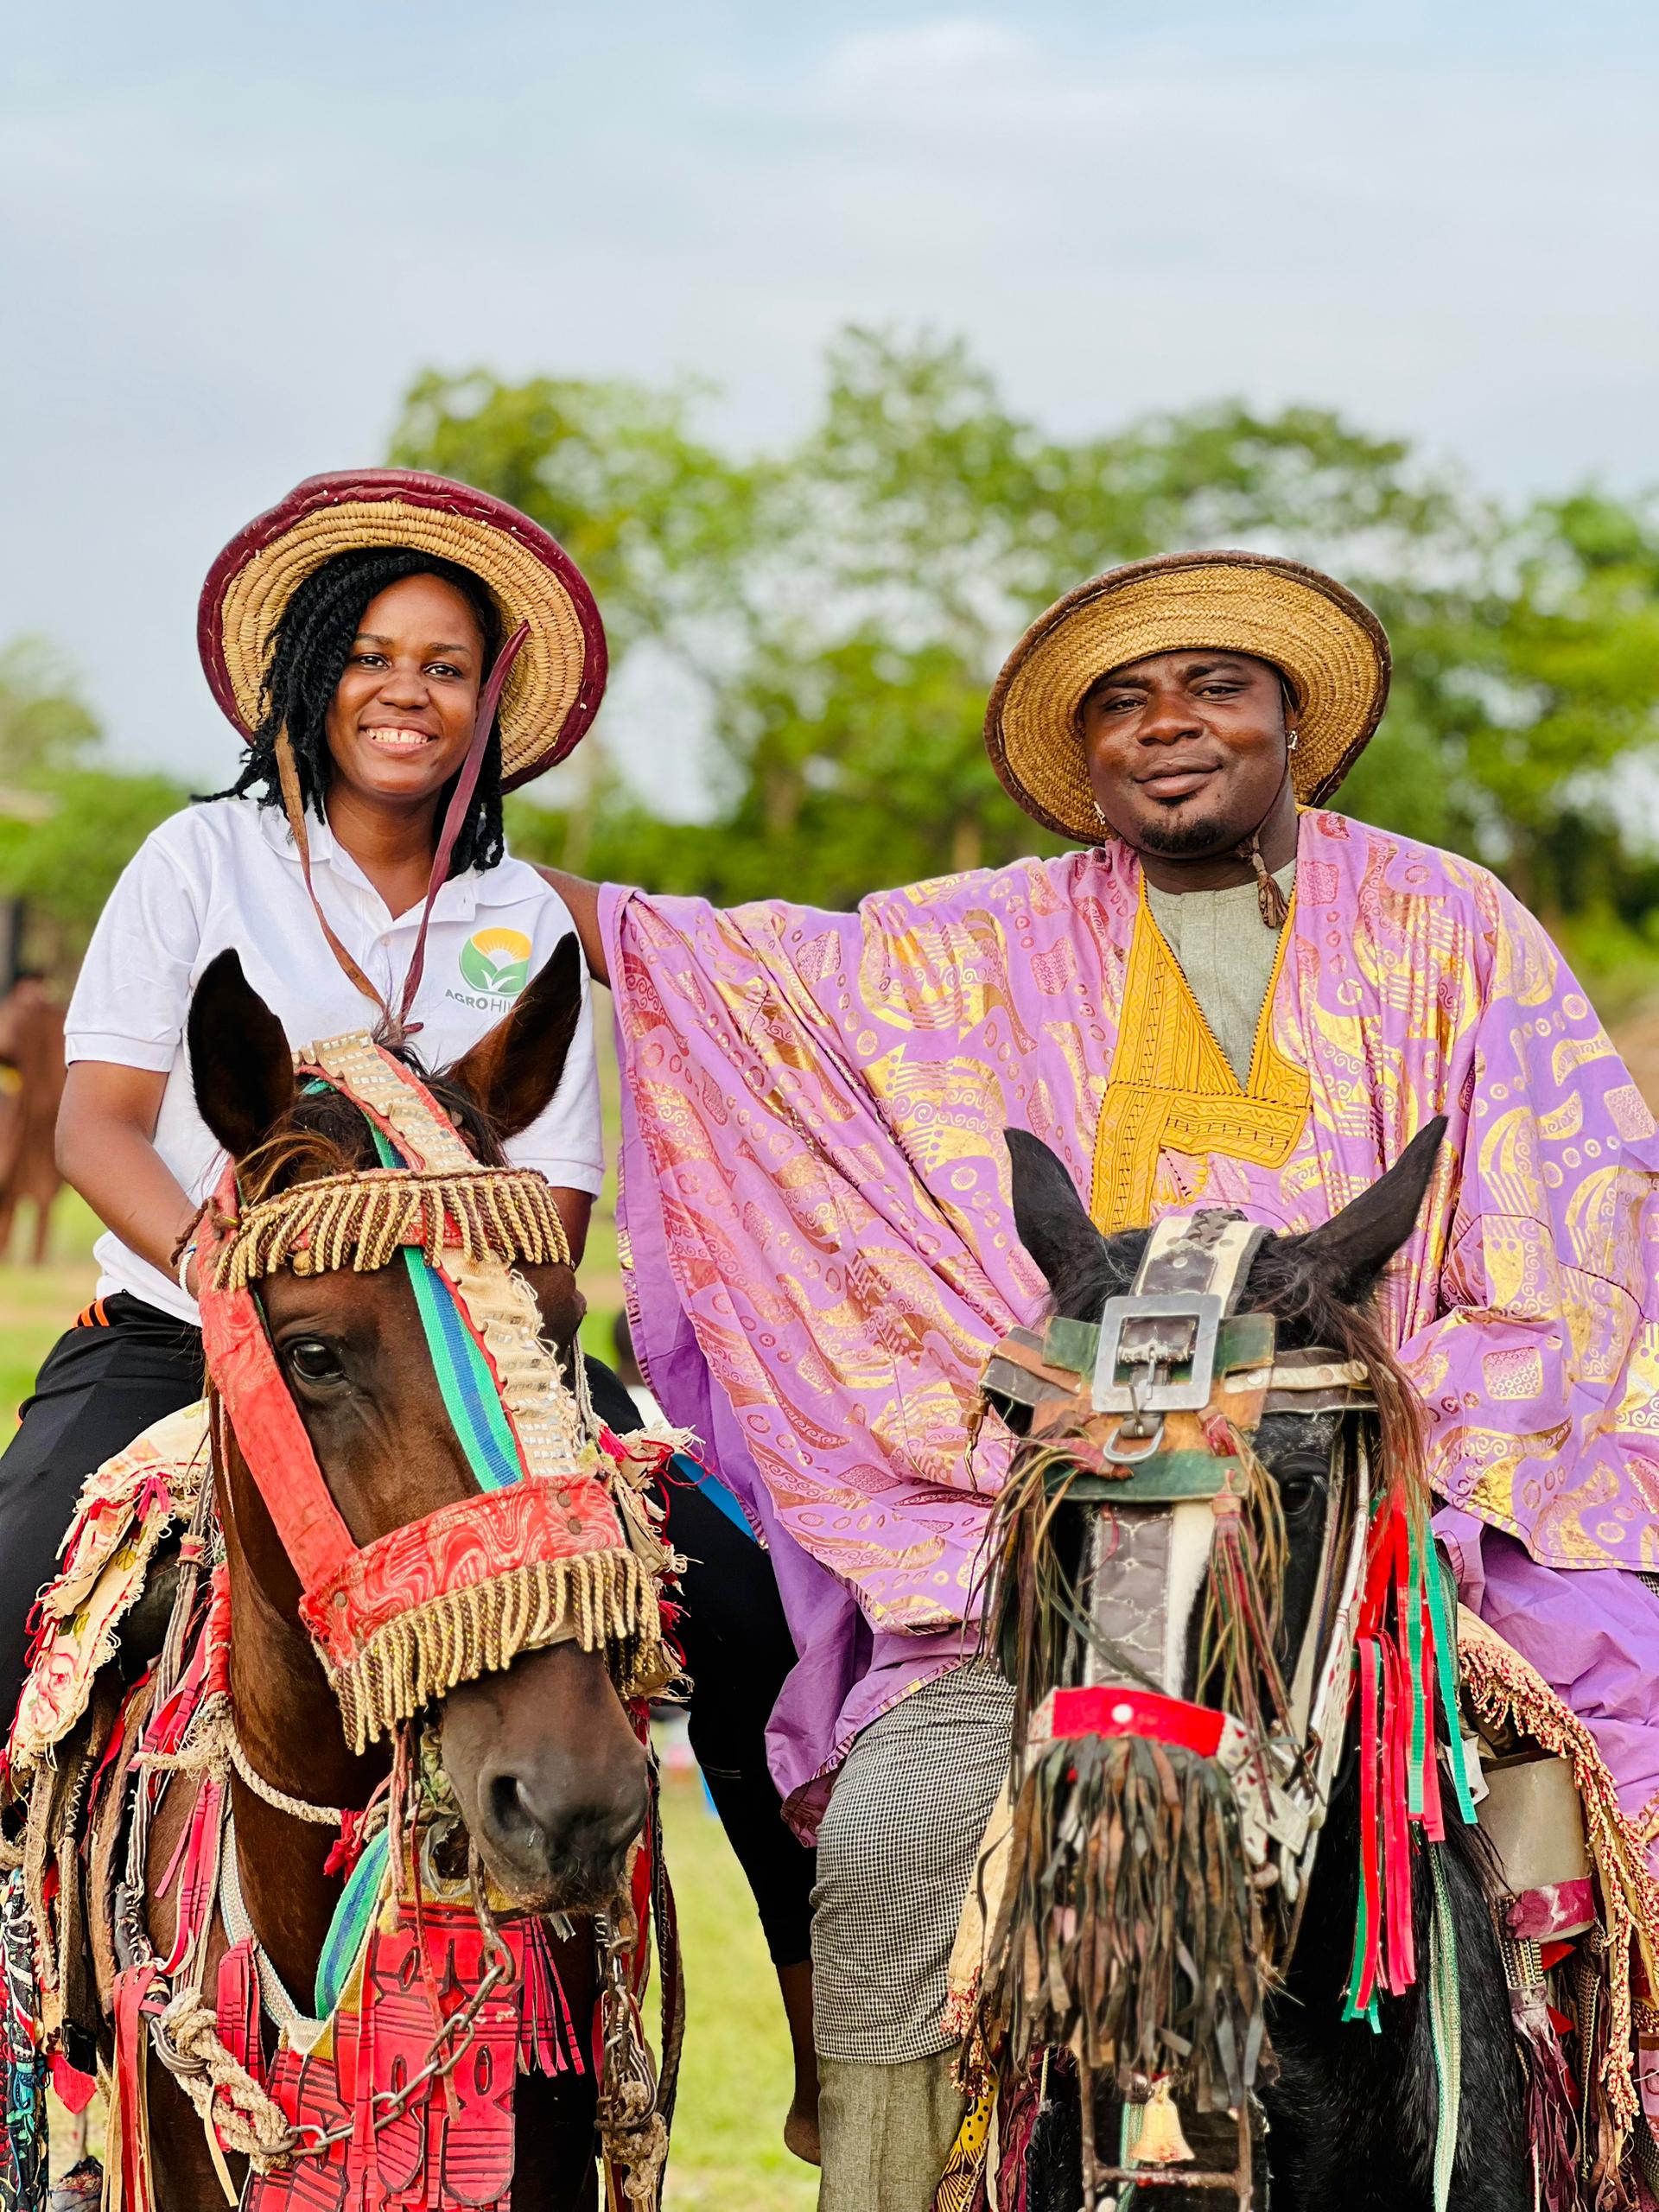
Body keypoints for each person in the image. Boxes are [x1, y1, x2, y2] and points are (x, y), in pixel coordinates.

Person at [543, 549, 1659, 2210]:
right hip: (1076, 1554)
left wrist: (1363, 1451)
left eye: (1215, 686)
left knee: (1611, 1804)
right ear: (1090, 756)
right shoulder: (985, 940)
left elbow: (1571, 1224)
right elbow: (731, 976)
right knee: (897, 1847)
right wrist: (486, 865)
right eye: (1124, 703)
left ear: (1294, 719)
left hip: (1391, 1539)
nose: (1169, 724)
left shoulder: (1453, 923)